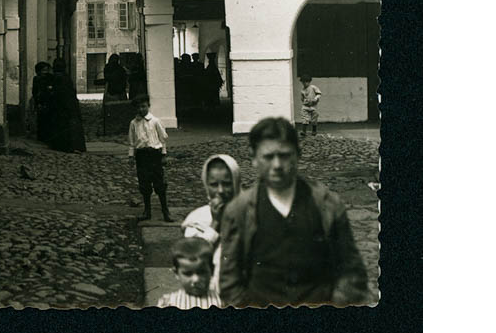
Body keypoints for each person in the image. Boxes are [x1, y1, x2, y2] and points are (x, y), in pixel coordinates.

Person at [219, 117, 368, 307]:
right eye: (268, 157)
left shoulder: (327, 204)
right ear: (254, 158)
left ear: (298, 155)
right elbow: (229, 280)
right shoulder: (239, 210)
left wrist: (338, 303)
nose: (277, 165)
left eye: (284, 155)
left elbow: (351, 269)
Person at [181, 153, 241, 288]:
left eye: (227, 184)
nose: (220, 190)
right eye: (214, 184)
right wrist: (215, 224)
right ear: (206, 185)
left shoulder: (250, 213)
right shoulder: (197, 218)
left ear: (236, 183)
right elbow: (192, 261)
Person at [127, 93, 172, 222]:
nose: (141, 109)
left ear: (148, 106)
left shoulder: (155, 121)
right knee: (144, 183)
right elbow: (131, 142)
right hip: (141, 156)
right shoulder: (133, 124)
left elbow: (162, 139)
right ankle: (147, 211)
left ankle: (165, 211)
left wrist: (164, 154)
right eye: (138, 107)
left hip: (155, 155)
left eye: (144, 106)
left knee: (159, 183)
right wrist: (131, 156)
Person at [156, 238, 220, 309]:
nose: (196, 279)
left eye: (202, 272)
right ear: (176, 273)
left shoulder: (223, 301)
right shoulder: (169, 303)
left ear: (212, 270)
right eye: (188, 274)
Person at [48, 58, 86, 152]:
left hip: (60, 106)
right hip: (70, 105)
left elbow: (57, 93)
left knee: (61, 126)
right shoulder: (66, 77)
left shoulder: (57, 78)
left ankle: (62, 145)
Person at [30, 61, 56, 145]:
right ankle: (42, 136)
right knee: (41, 119)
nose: (45, 72)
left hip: (49, 101)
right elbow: (34, 91)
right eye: (43, 70)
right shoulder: (37, 79)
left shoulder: (50, 77)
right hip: (41, 101)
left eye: (46, 70)